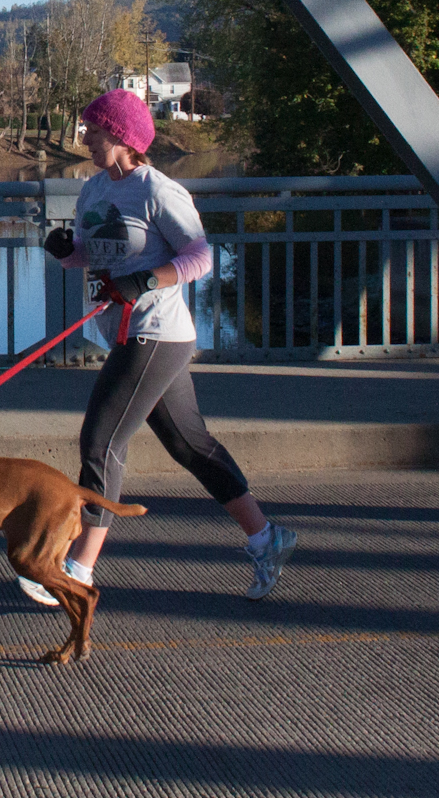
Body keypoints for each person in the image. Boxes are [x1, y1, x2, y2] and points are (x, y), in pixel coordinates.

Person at [19, 89, 297, 602]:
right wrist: (67, 251)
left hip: (155, 333)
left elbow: (200, 257)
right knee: (190, 444)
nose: (86, 138)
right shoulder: (94, 189)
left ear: (124, 137)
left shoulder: (157, 190)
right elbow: (93, 254)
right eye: (87, 129)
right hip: (125, 330)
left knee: (102, 442)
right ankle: (266, 536)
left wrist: (145, 282)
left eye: (95, 131)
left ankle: (79, 566)